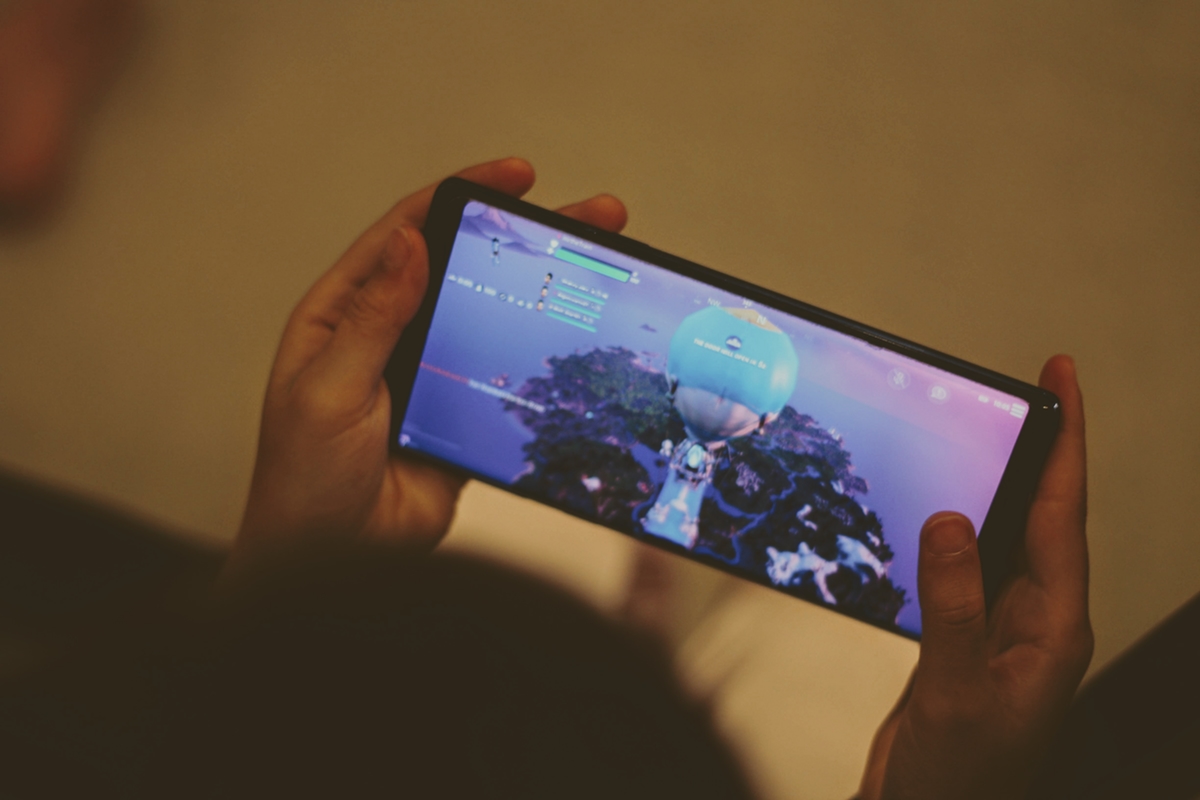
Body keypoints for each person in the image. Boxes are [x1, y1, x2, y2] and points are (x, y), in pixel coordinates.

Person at [236, 157, 1093, 799]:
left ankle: (625, 630)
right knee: (841, 654)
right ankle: (646, 651)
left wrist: (294, 569)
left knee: (526, 545)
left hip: (379, 720)